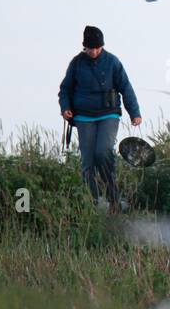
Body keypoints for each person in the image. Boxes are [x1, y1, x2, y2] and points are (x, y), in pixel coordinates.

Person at [58, 25, 142, 210]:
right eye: (90, 48)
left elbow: (126, 88)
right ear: (84, 47)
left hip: (108, 114)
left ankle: (114, 199)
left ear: (102, 46)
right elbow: (65, 89)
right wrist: (65, 108)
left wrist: (134, 113)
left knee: (102, 152)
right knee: (88, 161)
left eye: (97, 48)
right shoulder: (77, 63)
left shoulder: (113, 62)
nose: (94, 51)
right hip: (84, 117)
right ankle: (93, 203)